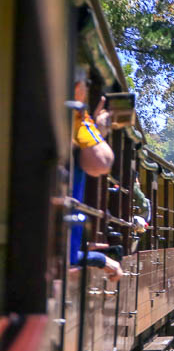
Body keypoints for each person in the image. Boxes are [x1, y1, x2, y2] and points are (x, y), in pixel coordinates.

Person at [70, 69, 122, 282]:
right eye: (88, 84)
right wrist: (96, 130)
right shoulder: (75, 117)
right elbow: (102, 162)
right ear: (78, 89)